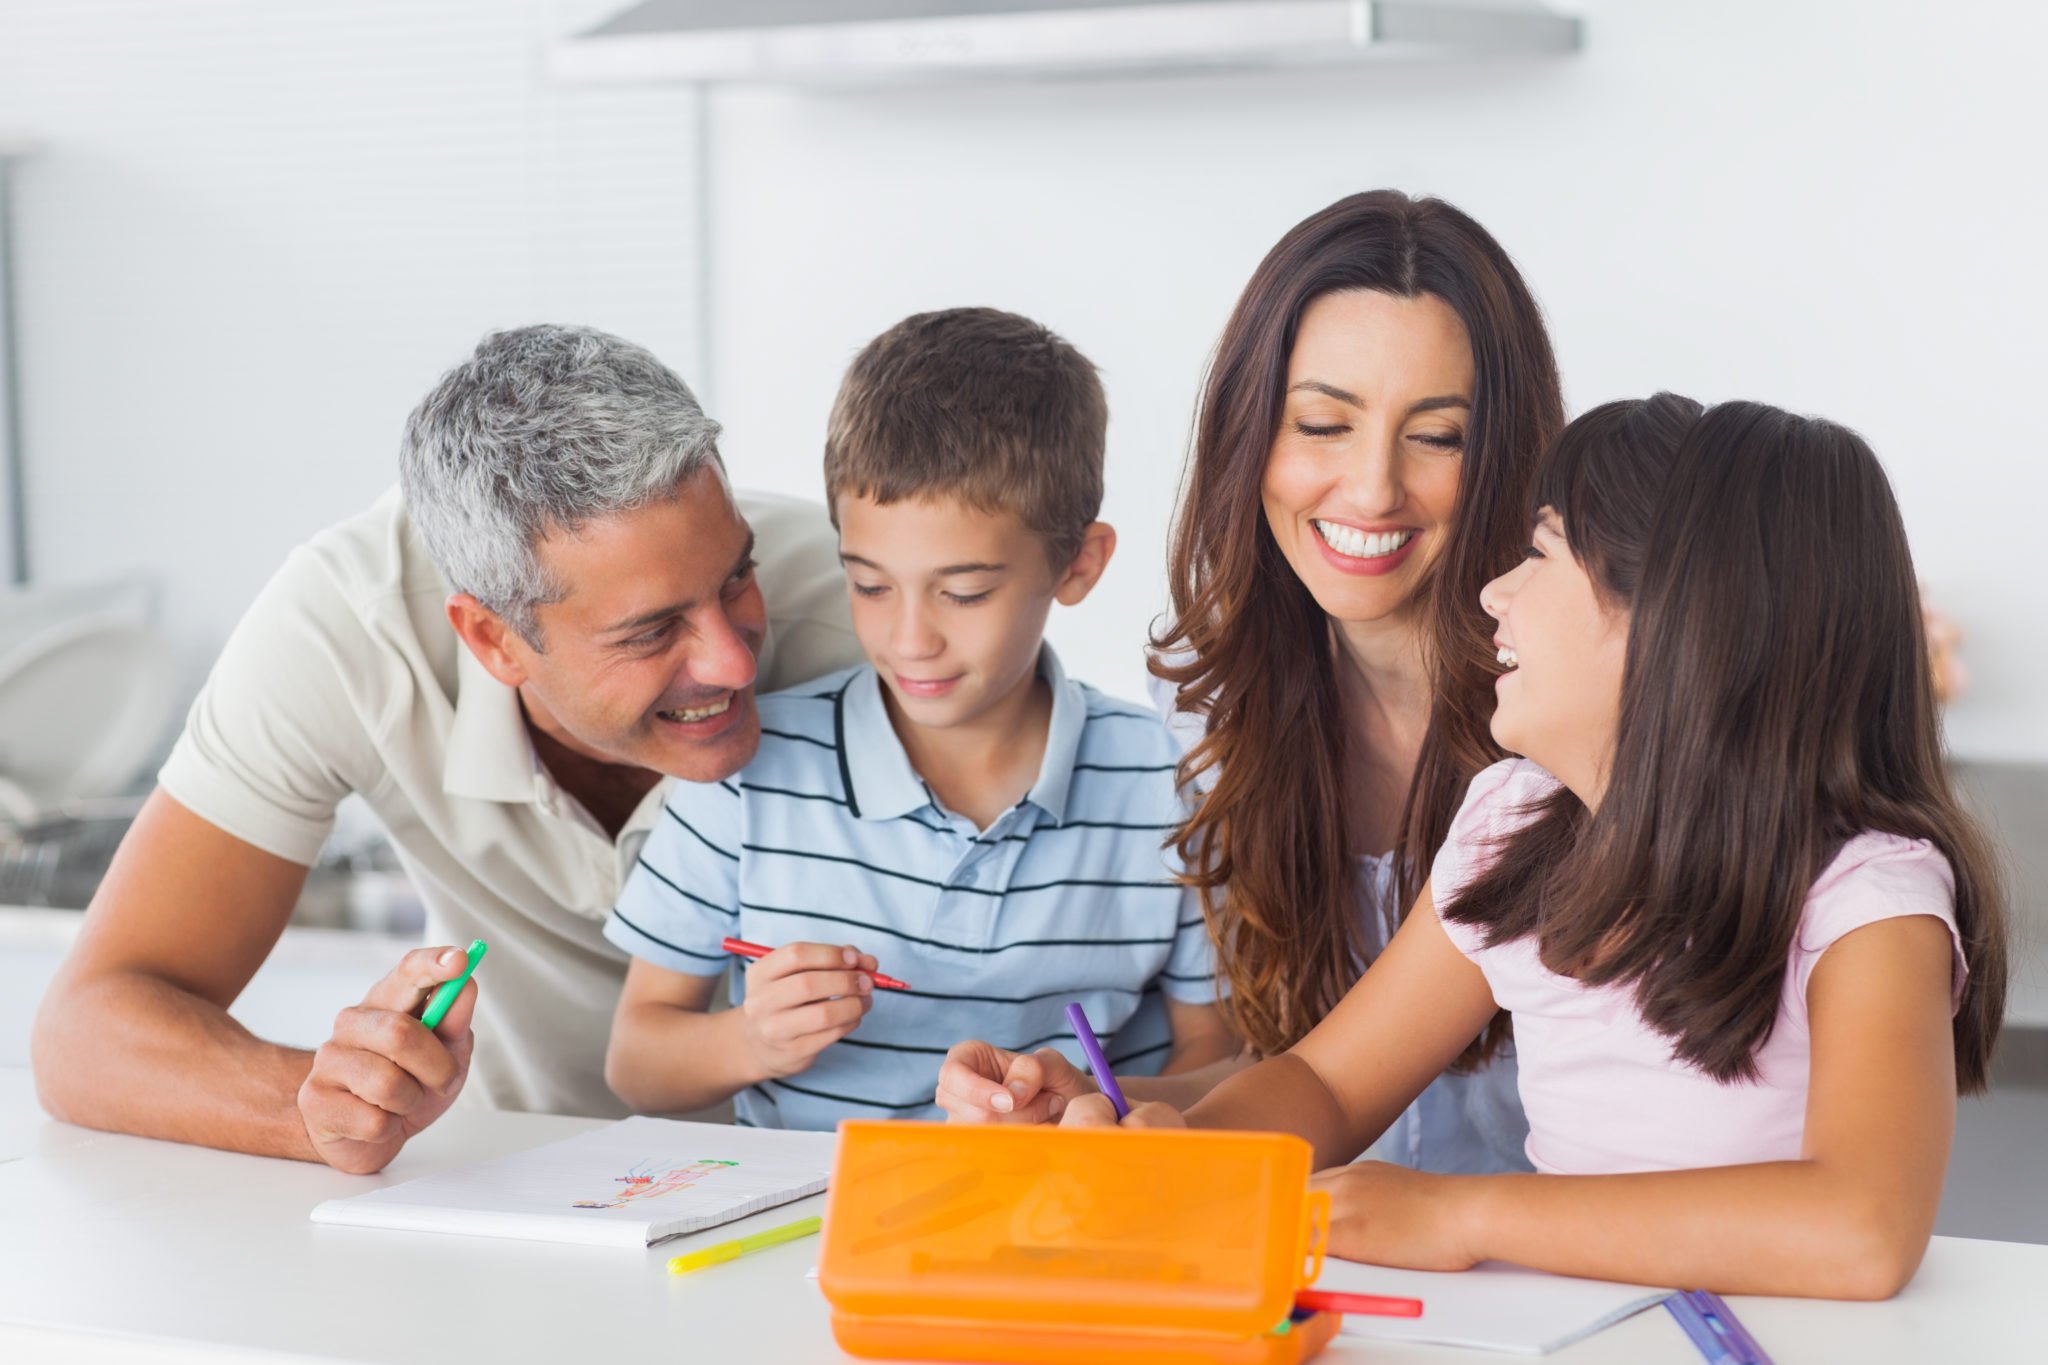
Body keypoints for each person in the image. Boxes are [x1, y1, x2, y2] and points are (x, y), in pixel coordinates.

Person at [1062, 395, 2009, 1300]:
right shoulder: (1513, 827)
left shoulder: (1867, 898)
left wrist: (1463, 1214)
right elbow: (1325, 1083)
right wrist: (1175, 1151)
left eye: (1541, 553)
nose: (1493, 591)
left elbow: (1863, 1227)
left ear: (1679, 620)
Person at [31, 325, 862, 1172]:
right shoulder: (349, 629)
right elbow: (86, 1030)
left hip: (829, 1188)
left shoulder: (882, 625)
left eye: (735, 578)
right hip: (512, 1182)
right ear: (491, 639)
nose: (732, 657)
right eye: (651, 631)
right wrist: (325, 1107)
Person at [937, 191, 1561, 1172]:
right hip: (1338, 1251)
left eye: (1435, 436)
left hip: (1579, 1267)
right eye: (1321, 424)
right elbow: (1306, 1075)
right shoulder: (1212, 711)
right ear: (1246, 432)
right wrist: (1091, 1102)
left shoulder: (1574, 720)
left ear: (1504, 458)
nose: (1370, 490)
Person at [600, 308, 1237, 1128]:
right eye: (868, 584)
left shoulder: (1167, 779)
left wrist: (1084, 1104)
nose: (908, 640)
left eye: (964, 593)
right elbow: (634, 1062)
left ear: (1078, 564)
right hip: (805, 1234)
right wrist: (752, 1041)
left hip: (1053, 1219)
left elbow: (1217, 1057)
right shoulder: (746, 772)